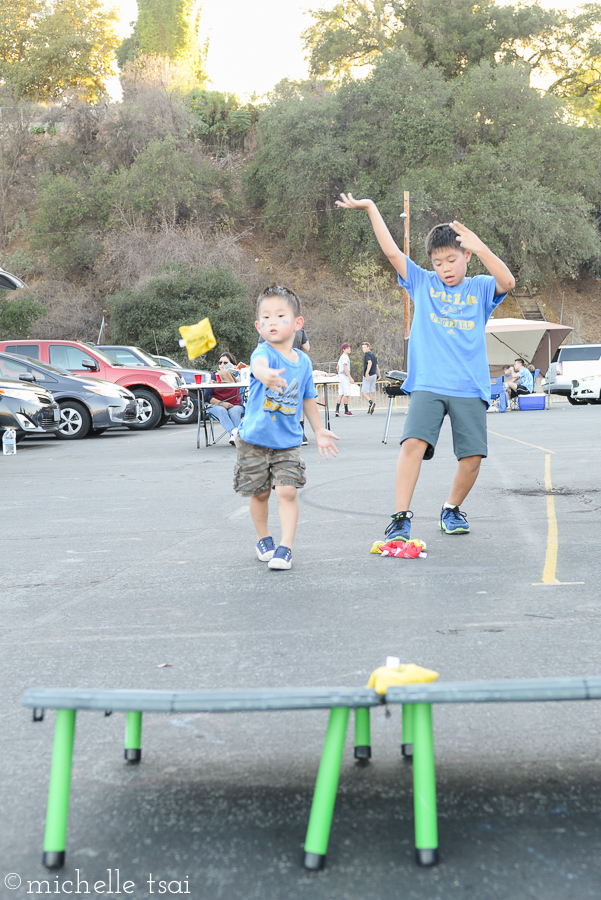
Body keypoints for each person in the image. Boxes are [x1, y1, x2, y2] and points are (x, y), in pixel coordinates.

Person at [335, 192, 515, 541]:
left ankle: (451, 509)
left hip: (468, 386)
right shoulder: (423, 282)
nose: (445, 268)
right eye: (438, 262)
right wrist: (371, 207)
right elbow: (391, 252)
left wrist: (482, 248)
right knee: (412, 444)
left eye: (451, 260)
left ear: (466, 256)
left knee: (473, 456)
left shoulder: (479, 288)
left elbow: (508, 282)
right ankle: (400, 517)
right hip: (430, 384)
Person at [234, 285, 339, 570]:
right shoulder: (262, 354)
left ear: (297, 323)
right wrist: (264, 374)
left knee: (287, 492)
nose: (272, 322)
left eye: (280, 316)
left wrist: (318, 430)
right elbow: (257, 365)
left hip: (288, 442)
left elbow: (308, 398)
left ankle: (286, 546)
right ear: (258, 325)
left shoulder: (303, 362)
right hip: (254, 439)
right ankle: (263, 538)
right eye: (265, 318)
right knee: (260, 493)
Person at [259, 326, 310, 443]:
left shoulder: (267, 329)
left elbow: (259, 349)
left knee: (275, 399)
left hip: (276, 369)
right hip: (296, 367)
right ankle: (300, 431)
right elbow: (307, 347)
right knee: (298, 399)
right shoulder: (299, 329)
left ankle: (277, 431)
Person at [206, 351, 244, 445]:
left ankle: (235, 437)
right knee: (221, 410)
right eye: (220, 362)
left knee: (234, 411)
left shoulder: (239, 377)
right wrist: (223, 403)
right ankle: (236, 434)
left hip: (235, 404)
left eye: (225, 363)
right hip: (216, 404)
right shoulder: (213, 377)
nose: (222, 365)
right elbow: (206, 396)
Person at [335, 342, 354, 416]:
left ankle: (337, 410)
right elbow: (345, 367)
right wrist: (350, 377)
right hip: (344, 376)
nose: (349, 349)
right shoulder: (345, 357)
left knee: (341, 393)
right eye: (347, 348)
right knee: (346, 393)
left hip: (340, 376)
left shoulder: (341, 357)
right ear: (344, 349)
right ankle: (346, 410)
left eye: (349, 348)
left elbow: (337, 367)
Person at [361, 342, 380, 414]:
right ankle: (370, 408)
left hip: (369, 375)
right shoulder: (373, 355)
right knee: (370, 391)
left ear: (368, 347)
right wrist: (379, 375)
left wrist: (367, 372)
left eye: (365, 347)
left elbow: (370, 363)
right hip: (374, 375)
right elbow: (376, 366)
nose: (363, 349)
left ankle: (371, 403)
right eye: (363, 348)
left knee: (364, 392)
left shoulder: (367, 355)